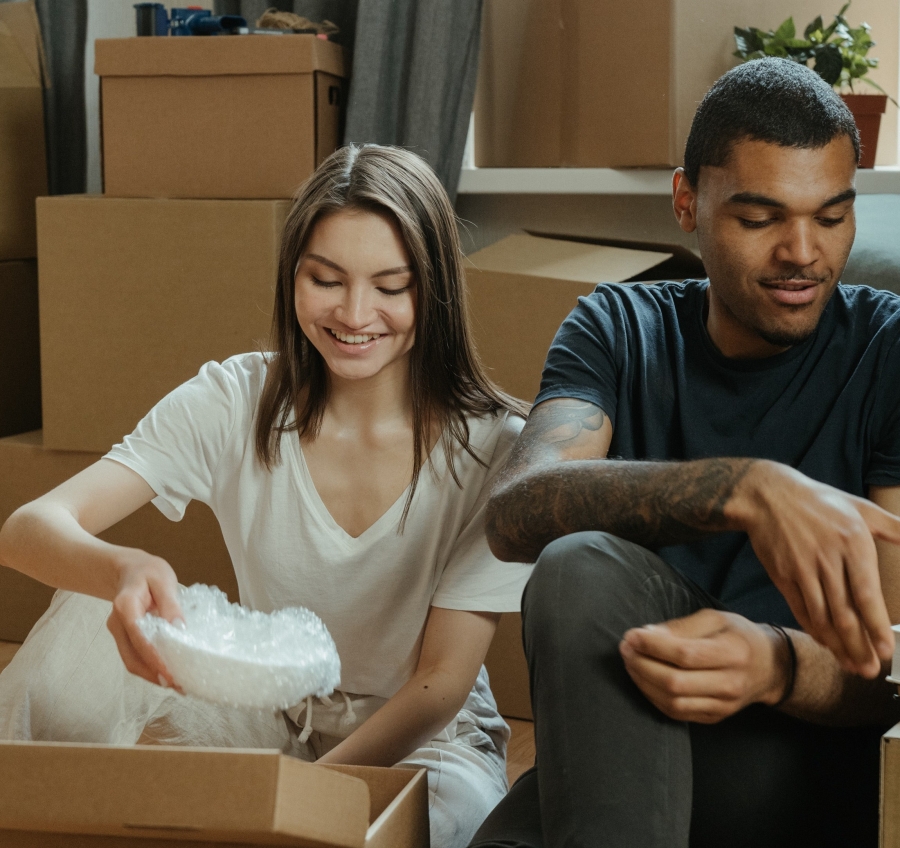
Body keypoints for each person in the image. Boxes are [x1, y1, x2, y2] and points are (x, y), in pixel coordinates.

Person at [0, 144, 531, 848]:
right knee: (81, 632)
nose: (354, 312)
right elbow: (28, 529)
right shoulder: (234, 400)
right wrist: (122, 570)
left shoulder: (498, 447)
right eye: (326, 279)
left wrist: (296, 804)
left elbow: (441, 680)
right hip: (269, 713)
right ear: (292, 278)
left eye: (390, 285)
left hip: (427, 741)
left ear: (431, 289)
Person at [470, 58, 900, 848]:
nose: (803, 252)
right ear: (686, 203)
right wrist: (738, 488)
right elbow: (515, 512)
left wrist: (773, 663)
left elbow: (897, 667)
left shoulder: (888, 347)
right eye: (761, 217)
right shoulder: (617, 326)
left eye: (832, 218)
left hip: (800, 756)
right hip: (620, 741)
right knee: (580, 565)